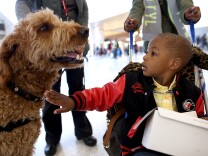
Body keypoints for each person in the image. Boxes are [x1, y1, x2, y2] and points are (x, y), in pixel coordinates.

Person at [44, 33, 207, 156]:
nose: (145, 56)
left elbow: (198, 122)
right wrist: (74, 101)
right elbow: (102, 95)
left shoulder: (192, 91)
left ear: (174, 63)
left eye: (153, 53)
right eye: (147, 51)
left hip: (178, 147)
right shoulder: (131, 81)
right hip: (139, 147)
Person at [15, 0, 97, 156]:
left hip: (74, 48)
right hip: (48, 52)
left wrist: (81, 39)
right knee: (49, 97)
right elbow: (22, 3)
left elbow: (83, 10)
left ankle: (84, 131)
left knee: (79, 91)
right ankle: (52, 139)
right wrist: (29, 27)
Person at [124, 0, 201, 52]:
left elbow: (185, 3)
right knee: (156, 74)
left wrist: (189, 12)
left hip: (180, 42)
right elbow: (137, 8)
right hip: (153, 46)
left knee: (184, 74)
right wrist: (133, 21)